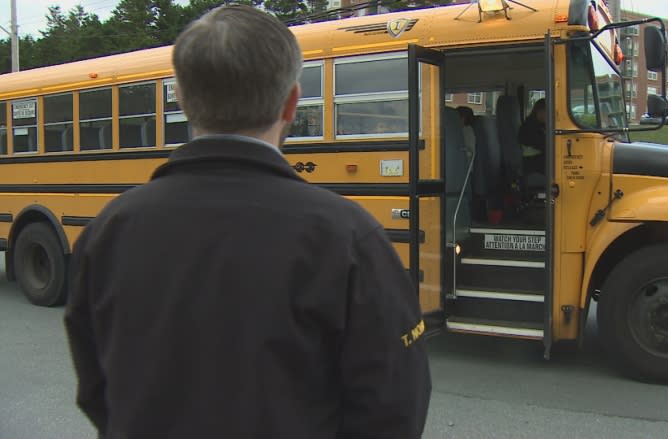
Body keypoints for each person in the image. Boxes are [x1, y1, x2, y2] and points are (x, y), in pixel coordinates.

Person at [64, 5, 431, 439]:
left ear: (179, 98)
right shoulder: (348, 237)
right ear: (293, 101)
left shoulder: (109, 230)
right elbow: (393, 406)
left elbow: (96, 388)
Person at [517, 97, 546, 175]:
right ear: (539, 111)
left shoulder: (541, 125)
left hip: (538, 161)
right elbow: (543, 145)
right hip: (532, 165)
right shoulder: (529, 127)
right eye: (547, 112)